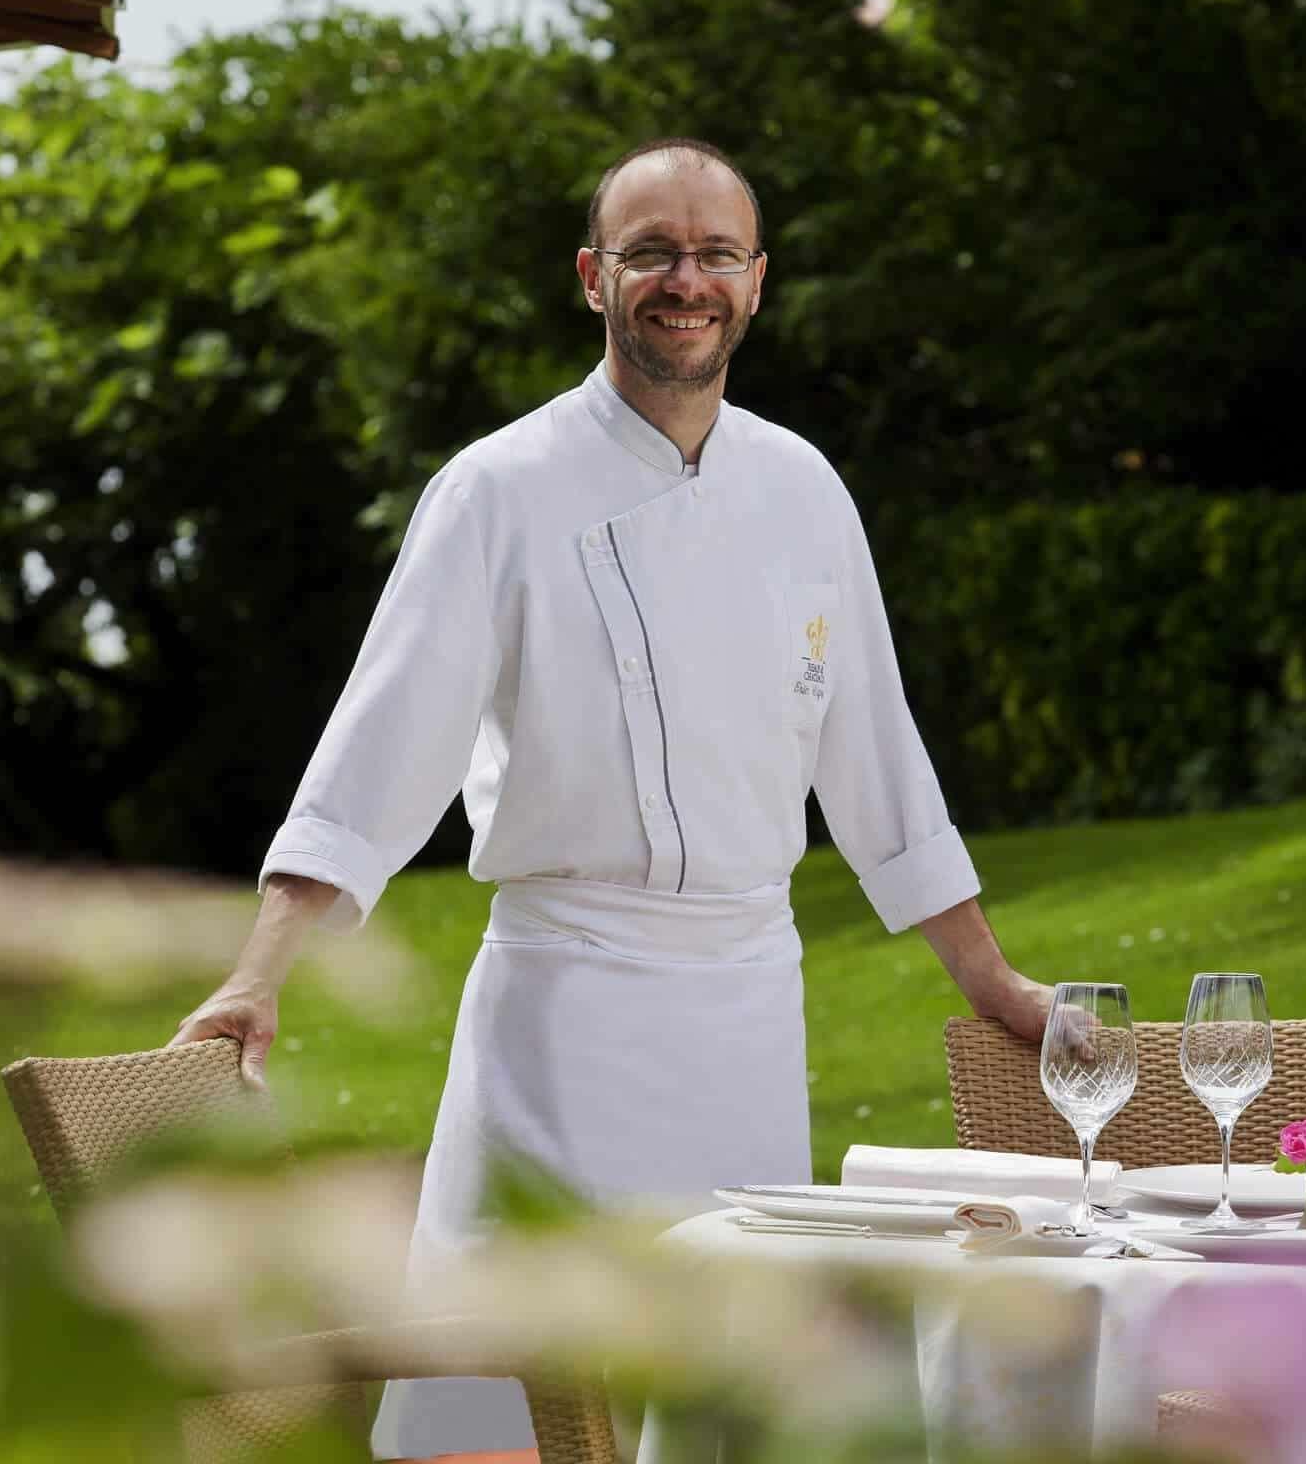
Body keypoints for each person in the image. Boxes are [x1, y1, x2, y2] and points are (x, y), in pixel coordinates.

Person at [169, 136, 1051, 1459]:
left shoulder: (803, 489)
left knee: (731, 1398)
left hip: (748, 1009)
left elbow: (878, 760)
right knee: (503, 1379)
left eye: (711, 255)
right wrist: (261, 971)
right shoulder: (496, 492)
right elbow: (379, 751)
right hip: (562, 1017)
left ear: (757, 284)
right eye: (650, 252)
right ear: (595, 279)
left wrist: (991, 983)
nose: (681, 281)